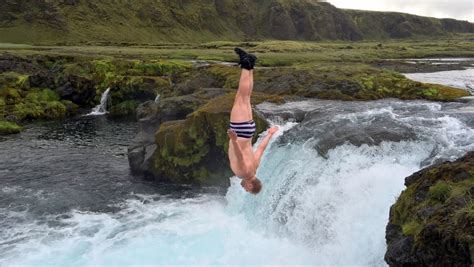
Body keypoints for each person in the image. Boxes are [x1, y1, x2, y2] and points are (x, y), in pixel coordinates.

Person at [227, 48, 279, 195]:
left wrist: (270, 134)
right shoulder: (243, 173)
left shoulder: (255, 167)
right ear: (250, 185)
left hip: (249, 130)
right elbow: (238, 156)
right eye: (247, 189)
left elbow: (261, 149)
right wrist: (234, 139)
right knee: (241, 97)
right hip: (240, 132)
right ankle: (245, 63)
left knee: (246, 97)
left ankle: (250, 65)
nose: (244, 188)